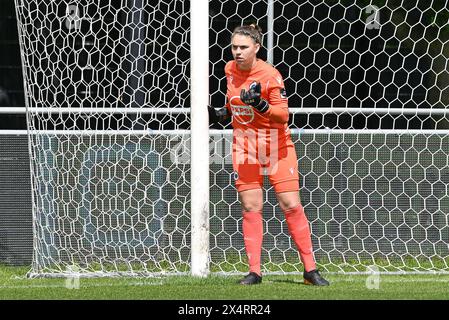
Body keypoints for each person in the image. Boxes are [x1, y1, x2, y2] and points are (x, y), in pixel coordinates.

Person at [209, 24, 329, 286]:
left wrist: (260, 104)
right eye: (234, 47)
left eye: (243, 47)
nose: (237, 52)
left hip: (277, 146)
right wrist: (222, 114)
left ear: (256, 48)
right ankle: (254, 272)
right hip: (245, 146)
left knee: (290, 204)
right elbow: (234, 103)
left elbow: (283, 115)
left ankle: (310, 270)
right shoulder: (229, 70)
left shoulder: (270, 75)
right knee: (251, 206)